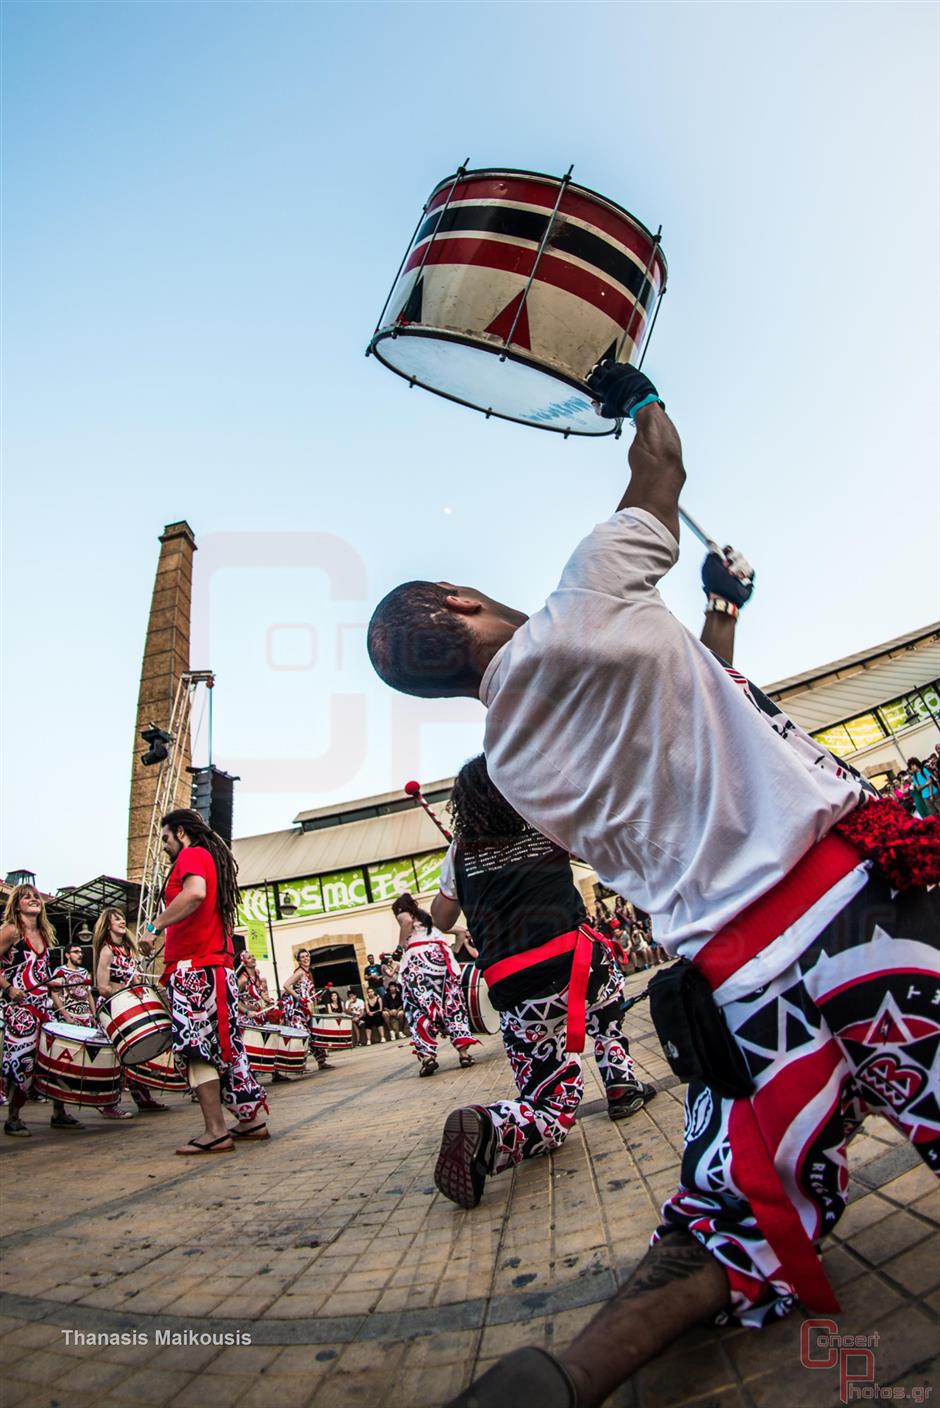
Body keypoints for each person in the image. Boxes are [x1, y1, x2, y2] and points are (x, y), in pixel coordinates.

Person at [367, 361, 939, 1406]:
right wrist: (634, 397)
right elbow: (662, 467)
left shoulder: (518, 773)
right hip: (859, 923)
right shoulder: (584, 595)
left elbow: (698, 713)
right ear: (457, 597)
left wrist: (715, 615)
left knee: (724, 1218)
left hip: (740, 994)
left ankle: (569, 1378)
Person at [429, 755, 654, 1208]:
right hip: (579, 965)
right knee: (607, 1011)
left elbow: (440, 917)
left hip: (514, 989)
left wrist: (462, 885)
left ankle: (500, 1123)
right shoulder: (543, 820)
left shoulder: (460, 852)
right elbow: (595, 853)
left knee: (550, 1105)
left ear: (463, 805)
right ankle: (621, 1084)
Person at [150, 808, 269, 1153]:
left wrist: (152, 926)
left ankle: (215, 1130)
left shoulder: (191, 855)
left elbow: (195, 893)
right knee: (224, 1045)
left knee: (196, 1049)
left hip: (195, 970)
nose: (165, 847)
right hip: (210, 968)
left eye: (167, 838)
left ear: (182, 834)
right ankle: (250, 1119)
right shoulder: (206, 856)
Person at [1, 884, 85, 1134]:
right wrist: (8, 989)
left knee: (57, 1057)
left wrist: (52, 981)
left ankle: (59, 1113)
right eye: (26, 897)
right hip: (19, 1009)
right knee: (23, 1061)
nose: (33, 899)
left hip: (42, 1006)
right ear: (17, 905)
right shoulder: (11, 931)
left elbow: (36, 971)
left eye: (35, 896)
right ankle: (13, 1118)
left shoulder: (46, 934)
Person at [92, 909, 172, 1115]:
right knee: (116, 1056)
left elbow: (135, 979)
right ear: (107, 925)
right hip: (113, 1009)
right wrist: (125, 990)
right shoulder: (107, 950)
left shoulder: (130, 949)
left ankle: (142, 1098)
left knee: (138, 1051)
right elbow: (102, 986)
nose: (121, 921)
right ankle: (108, 1104)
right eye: (115, 919)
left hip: (129, 1005)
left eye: (122, 917)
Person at [392, 893, 478, 1077]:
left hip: (419, 962)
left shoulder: (404, 913)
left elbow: (406, 921)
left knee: (417, 1008)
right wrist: (454, 950)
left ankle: (427, 1057)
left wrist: (399, 948)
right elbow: (461, 931)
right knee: (452, 1004)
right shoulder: (429, 921)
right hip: (441, 960)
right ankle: (464, 1053)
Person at [281, 951, 332, 1070]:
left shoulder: (307, 973)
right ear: (298, 960)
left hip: (304, 1009)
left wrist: (313, 996)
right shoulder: (299, 972)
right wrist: (298, 997)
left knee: (313, 1034)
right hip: (295, 1009)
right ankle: (298, 1065)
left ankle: (321, 1061)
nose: (305, 959)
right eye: (302, 957)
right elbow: (286, 985)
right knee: (302, 1035)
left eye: (307, 956)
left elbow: (306, 991)